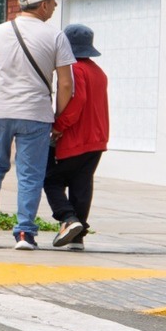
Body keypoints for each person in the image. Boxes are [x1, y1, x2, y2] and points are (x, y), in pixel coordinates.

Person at [0, 0, 75, 249]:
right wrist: (58, 117)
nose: (54, 8)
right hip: (35, 115)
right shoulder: (56, 36)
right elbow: (65, 83)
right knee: (30, 174)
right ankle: (25, 234)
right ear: (44, 5)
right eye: (53, 3)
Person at [45, 22, 108, 249]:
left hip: (75, 138)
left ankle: (68, 219)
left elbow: (77, 102)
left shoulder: (73, 69)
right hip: (97, 139)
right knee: (82, 184)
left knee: (51, 180)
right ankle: (77, 239)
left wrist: (58, 126)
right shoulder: (98, 71)